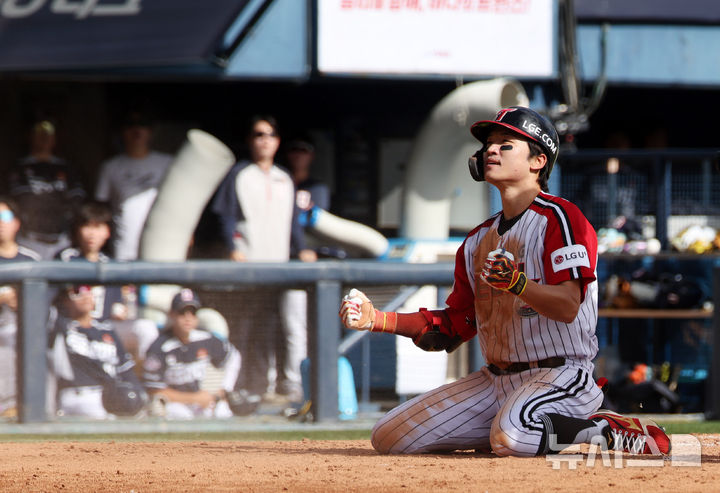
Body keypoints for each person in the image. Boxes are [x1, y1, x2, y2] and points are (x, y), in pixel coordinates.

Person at [339, 106, 670, 457]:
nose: (491, 150)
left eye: (505, 144)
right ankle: (515, 431)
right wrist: (378, 319)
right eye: (489, 145)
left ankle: (604, 428)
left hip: (561, 376)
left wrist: (519, 284)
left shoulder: (560, 218)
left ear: (538, 161)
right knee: (390, 436)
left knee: (513, 436)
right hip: (495, 380)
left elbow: (568, 306)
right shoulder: (478, 239)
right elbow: (453, 327)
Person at [210, 115, 315, 403]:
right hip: (251, 267)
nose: (264, 140)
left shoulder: (284, 177)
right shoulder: (239, 173)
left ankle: (289, 386)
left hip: (281, 266)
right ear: (250, 140)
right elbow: (226, 215)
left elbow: (293, 223)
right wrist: (233, 246)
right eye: (258, 134)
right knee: (249, 329)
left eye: (269, 135)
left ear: (277, 141)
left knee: (287, 327)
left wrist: (302, 248)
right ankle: (250, 387)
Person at [56, 200, 159, 364]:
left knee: (145, 328)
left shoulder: (112, 265)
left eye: (98, 227)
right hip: (74, 327)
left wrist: (122, 311)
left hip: (106, 326)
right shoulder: (66, 258)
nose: (92, 233)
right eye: (87, 226)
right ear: (78, 229)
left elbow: (118, 306)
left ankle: (152, 380)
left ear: (107, 232)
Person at [49, 284, 147, 419]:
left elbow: (125, 369)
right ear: (65, 300)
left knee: (139, 413)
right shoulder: (60, 326)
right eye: (77, 292)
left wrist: (140, 395)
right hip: (80, 394)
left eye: (89, 290)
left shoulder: (105, 329)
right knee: (106, 416)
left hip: (112, 394)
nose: (85, 296)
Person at [142, 288, 242, 419]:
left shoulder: (205, 338)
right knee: (178, 414)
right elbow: (154, 390)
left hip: (201, 401)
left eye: (192, 312)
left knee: (223, 411)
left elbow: (233, 357)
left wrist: (225, 389)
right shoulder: (160, 346)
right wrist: (195, 398)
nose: (188, 317)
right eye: (182, 312)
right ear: (172, 314)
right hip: (175, 404)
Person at [94, 110, 173, 260]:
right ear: (122, 131)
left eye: (142, 125)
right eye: (130, 126)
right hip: (124, 248)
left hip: (161, 246)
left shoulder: (167, 163)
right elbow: (100, 209)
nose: (137, 130)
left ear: (150, 131)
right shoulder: (110, 167)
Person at [7, 119, 86, 259]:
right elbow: (9, 205)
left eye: (48, 134)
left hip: (61, 241)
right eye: (39, 134)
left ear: (55, 138)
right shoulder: (18, 169)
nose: (44, 138)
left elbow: (77, 203)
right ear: (30, 136)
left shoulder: (67, 169)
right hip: (28, 240)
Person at [0, 197, 40, 417]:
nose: (0, 223)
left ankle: (37, 408)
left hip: (26, 328)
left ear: (16, 222)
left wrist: (24, 302)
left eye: (5, 217)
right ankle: (7, 407)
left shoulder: (30, 259)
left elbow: (47, 305)